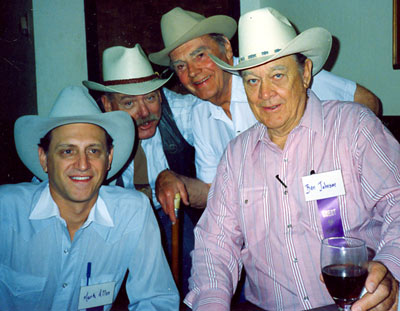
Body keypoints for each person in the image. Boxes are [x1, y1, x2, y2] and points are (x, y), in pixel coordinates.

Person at [183, 7, 399, 310]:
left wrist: (391, 271)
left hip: (358, 303)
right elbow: (214, 247)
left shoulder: (354, 128)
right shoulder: (236, 156)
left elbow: (397, 202)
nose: (264, 94)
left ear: (306, 72)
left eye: (277, 75)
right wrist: (211, 303)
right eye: (252, 81)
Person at [148, 7, 382, 223]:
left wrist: (334, 169)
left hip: (325, 215)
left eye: (200, 55)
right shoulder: (200, 115)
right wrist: (171, 179)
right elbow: (214, 190)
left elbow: (368, 103)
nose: (192, 72)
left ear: (227, 50)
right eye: (180, 66)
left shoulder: (275, 68)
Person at [0, 86, 179, 310]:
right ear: (44, 158)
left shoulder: (133, 212)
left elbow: (157, 299)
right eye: (68, 151)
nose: (83, 164)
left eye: (93, 151)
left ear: (109, 158)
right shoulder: (6, 211)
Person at [83, 44, 205, 295]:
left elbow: (221, 122)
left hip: (175, 215)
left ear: (160, 95)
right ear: (107, 104)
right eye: (129, 102)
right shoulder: (90, 128)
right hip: (116, 218)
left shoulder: (184, 112)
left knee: (196, 275)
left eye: (150, 97)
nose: (145, 112)